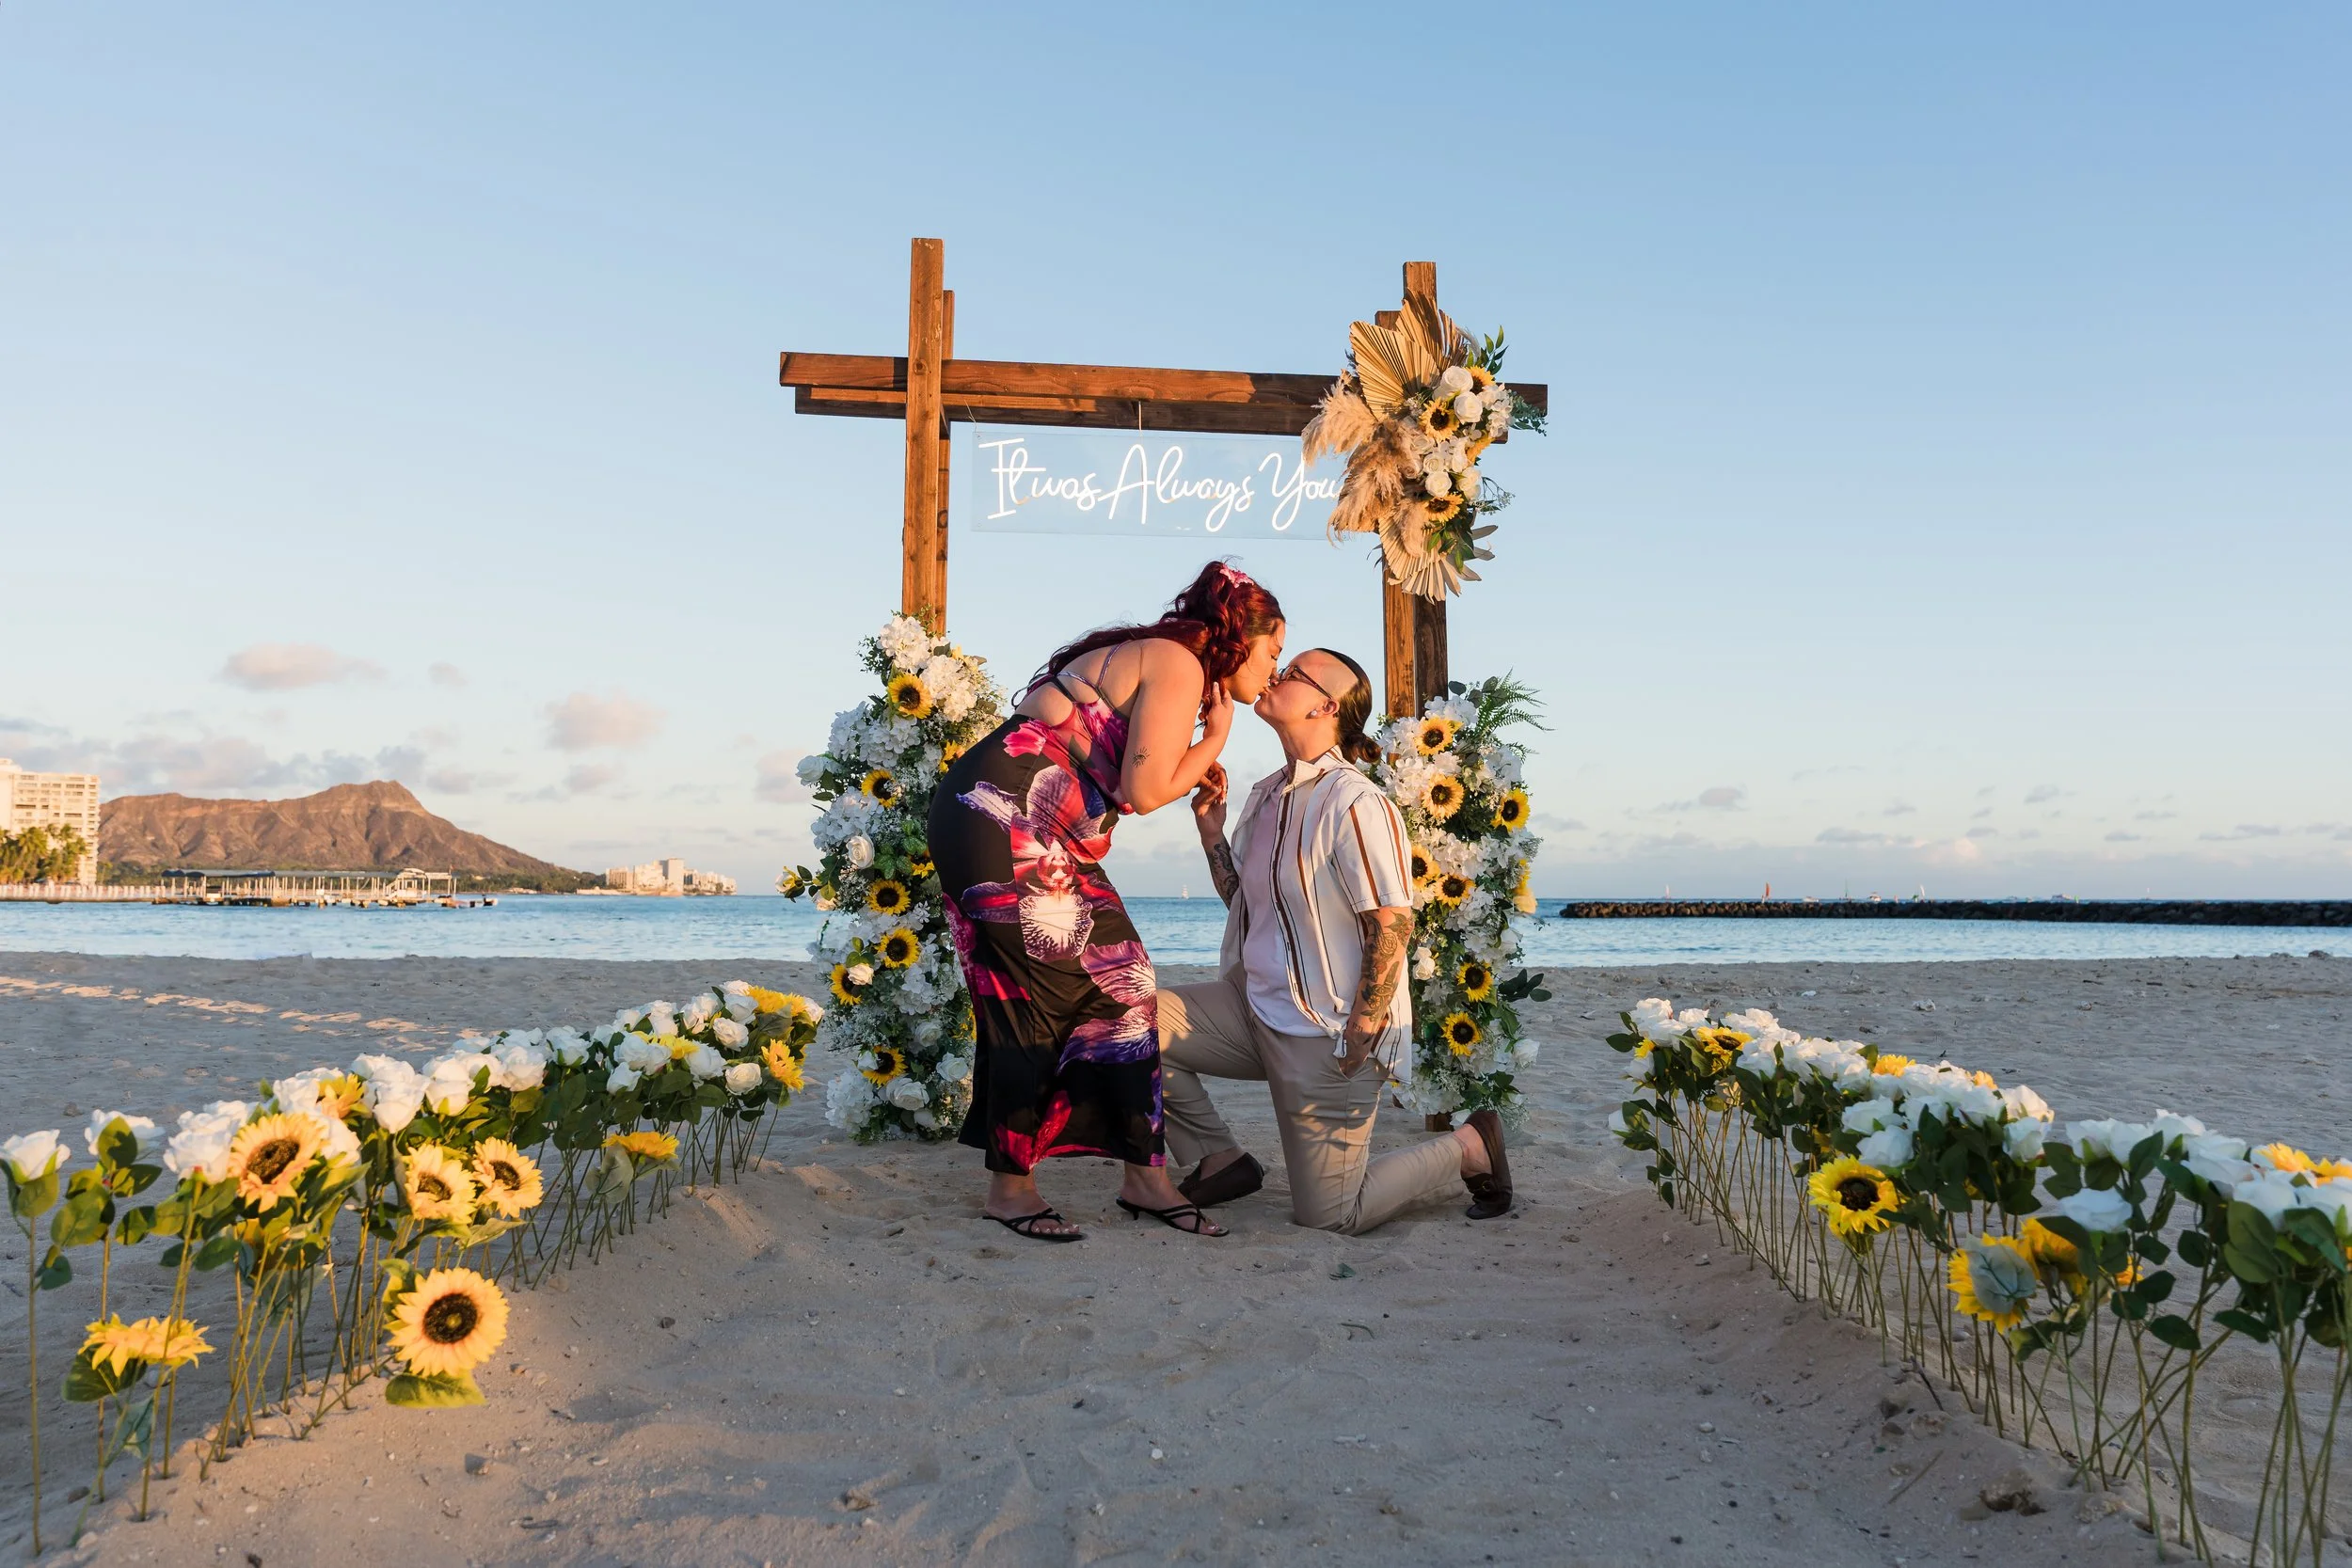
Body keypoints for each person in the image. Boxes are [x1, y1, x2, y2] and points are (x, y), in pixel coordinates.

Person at [928, 562, 1285, 1242]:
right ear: (1240, 637)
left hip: (1005, 812)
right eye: (1273, 652)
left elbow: (1129, 784)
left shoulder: (1176, 664)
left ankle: (1141, 1176)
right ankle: (1020, 1189)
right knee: (1059, 988)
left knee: (1114, 987)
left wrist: (1195, 762)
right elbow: (1146, 793)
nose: (1275, 668)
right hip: (1006, 814)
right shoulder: (1181, 664)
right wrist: (1214, 737)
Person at [1156, 645, 1513, 1232]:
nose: (1275, 674)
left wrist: (1363, 1032)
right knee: (1128, 1026)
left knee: (1330, 1216)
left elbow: (1392, 922)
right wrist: (1210, 831)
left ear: (1326, 707)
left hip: (1327, 1033)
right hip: (1251, 1012)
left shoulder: (1355, 801)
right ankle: (1218, 1158)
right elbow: (1250, 907)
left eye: (1292, 672)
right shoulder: (1268, 794)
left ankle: (1469, 1145)